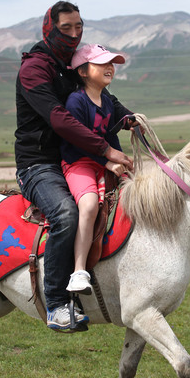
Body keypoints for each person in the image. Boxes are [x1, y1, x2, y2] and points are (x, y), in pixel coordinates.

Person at [14, 1, 134, 331]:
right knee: (67, 214)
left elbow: (102, 99)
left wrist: (129, 119)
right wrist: (107, 150)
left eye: (79, 27)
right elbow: (60, 119)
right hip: (39, 164)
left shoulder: (73, 66)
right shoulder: (34, 69)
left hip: (79, 157)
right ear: (48, 28)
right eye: (66, 28)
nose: (74, 34)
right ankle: (55, 304)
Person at [61, 44, 130, 296]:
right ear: (82, 71)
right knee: (89, 206)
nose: (109, 67)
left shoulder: (107, 102)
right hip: (78, 163)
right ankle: (79, 271)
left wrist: (123, 161)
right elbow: (78, 141)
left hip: (101, 162)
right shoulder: (76, 101)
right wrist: (108, 162)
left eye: (111, 63)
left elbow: (110, 138)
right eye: (101, 64)